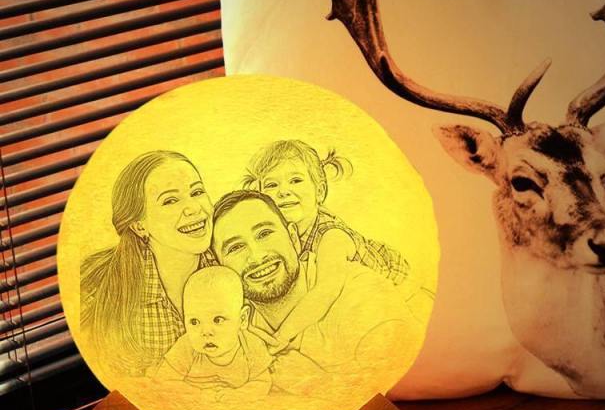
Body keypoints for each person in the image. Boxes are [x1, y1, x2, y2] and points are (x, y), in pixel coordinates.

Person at [210, 190, 420, 382]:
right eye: (235, 247)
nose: (257, 256)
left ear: (293, 238)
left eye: (264, 234)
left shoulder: (360, 292)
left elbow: (399, 383)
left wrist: (319, 385)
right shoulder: (228, 328)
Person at [242, 140, 410, 354]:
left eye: (295, 180)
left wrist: (282, 335)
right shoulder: (282, 234)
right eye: (271, 185)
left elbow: (326, 290)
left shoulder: (331, 236)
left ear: (319, 192)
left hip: (400, 282)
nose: (283, 191)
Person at [80, 150, 216, 375]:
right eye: (170, 200)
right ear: (139, 225)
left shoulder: (231, 263)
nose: (194, 208)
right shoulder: (97, 287)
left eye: (197, 192)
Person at [154, 266, 273, 395]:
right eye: (194, 322)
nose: (206, 331)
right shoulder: (186, 346)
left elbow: (262, 383)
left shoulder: (252, 346)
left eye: (218, 320)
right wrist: (199, 395)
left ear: (242, 319)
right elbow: (163, 381)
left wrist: (237, 395)